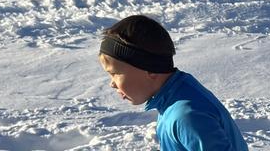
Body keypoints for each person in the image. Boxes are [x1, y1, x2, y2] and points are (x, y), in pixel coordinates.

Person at [98, 15, 248, 150]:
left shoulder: (187, 115)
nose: (112, 84)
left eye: (115, 73)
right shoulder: (177, 93)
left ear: (150, 69)